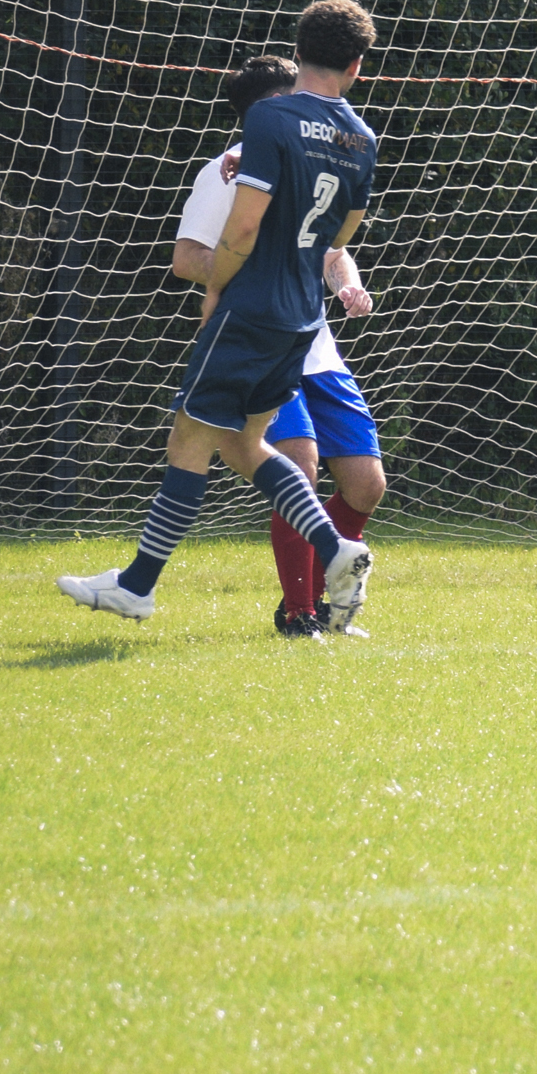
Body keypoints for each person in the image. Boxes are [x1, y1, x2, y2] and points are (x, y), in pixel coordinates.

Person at [58, 0, 379, 629]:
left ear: (300, 46)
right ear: (357, 65)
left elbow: (242, 230)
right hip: (299, 316)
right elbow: (340, 234)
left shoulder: (270, 119)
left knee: (189, 439)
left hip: (251, 308)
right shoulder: (361, 139)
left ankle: (140, 587)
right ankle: (333, 550)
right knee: (250, 446)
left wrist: (216, 292)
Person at [173, 56, 386, 638]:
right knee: (301, 464)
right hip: (262, 338)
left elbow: (332, 245)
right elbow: (186, 258)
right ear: (273, 107)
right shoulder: (225, 170)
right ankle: (299, 614)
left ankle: (329, 596)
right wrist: (251, 269)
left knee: (367, 482)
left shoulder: (313, 159)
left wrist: (346, 283)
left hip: (315, 343)